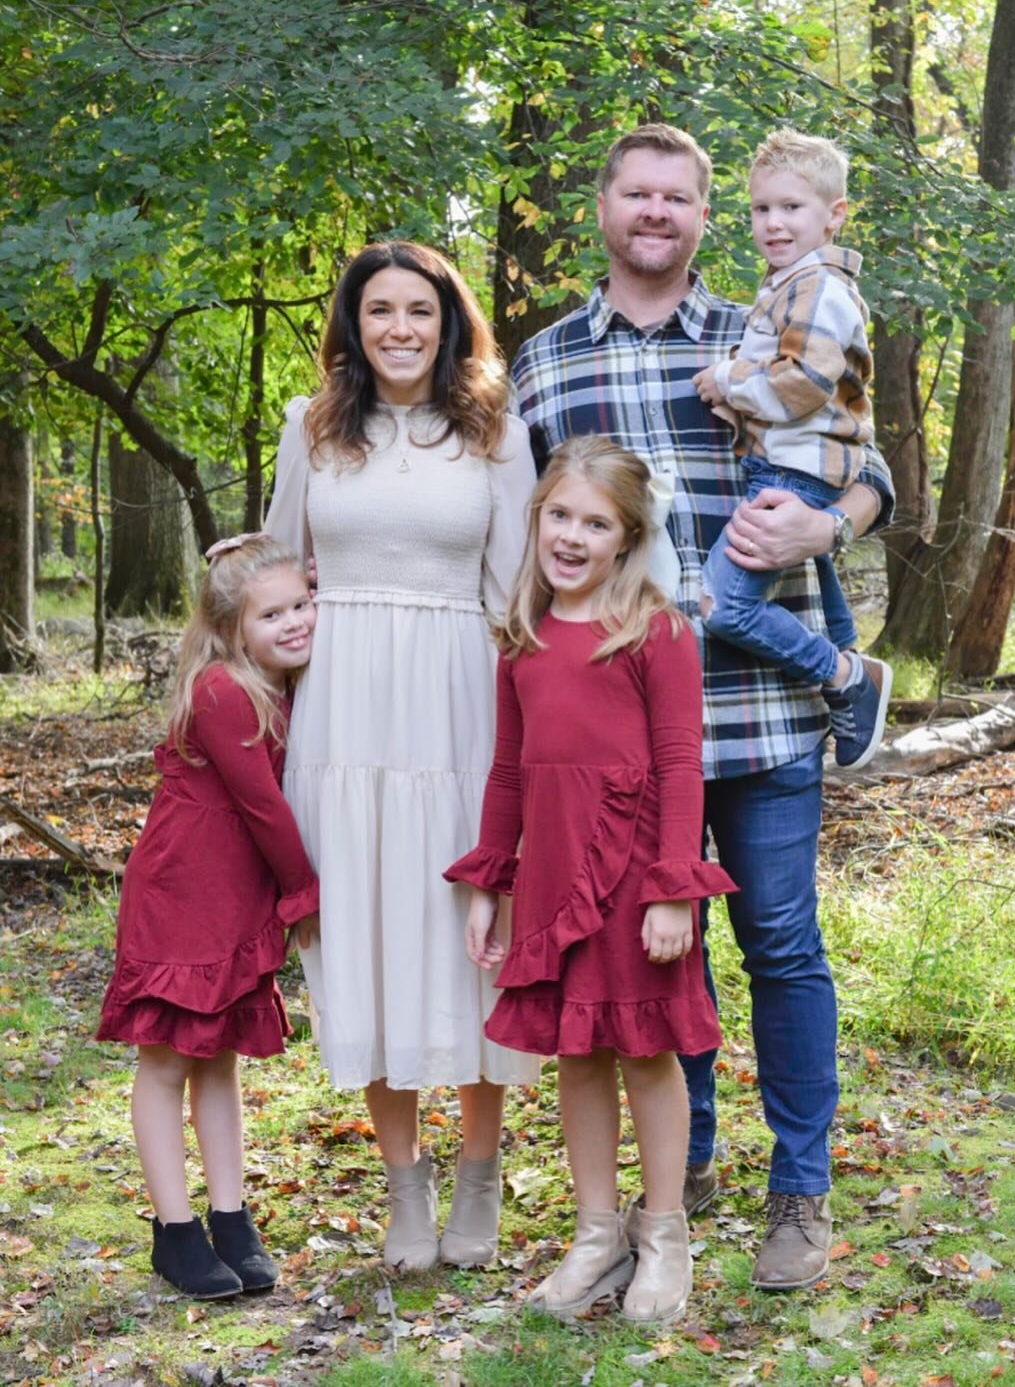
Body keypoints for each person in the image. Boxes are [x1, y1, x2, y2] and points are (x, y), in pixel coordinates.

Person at [511, 124, 895, 1290]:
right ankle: (684, 1175)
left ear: (703, 213)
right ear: (602, 204)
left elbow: (863, 466)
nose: (656, 212)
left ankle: (799, 1187)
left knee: (777, 942)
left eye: (679, 195)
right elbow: (517, 543)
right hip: (620, 743)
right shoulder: (541, 364)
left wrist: (830, 526)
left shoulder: (761, 328)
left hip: (761, 705)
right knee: (657, 954)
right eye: (636, 192)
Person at [264, 240, 540, 1273]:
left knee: (463, 939)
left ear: (449, 321)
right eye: (378, 309)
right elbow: (280, 565)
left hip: (456, 700)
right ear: (351, 322)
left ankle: (478, 1171)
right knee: (368, 932)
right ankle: (404, 1183)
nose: (398, 329)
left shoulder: (495, 435)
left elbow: (516, 592)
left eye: (417, 310)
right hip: (341, 709)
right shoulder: (311, 426)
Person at [446, 437, 735, 1324]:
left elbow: (683, 764)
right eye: (558, 516)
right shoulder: (522, 637)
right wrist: (491, 884)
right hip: (555, 873)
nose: (571, 536)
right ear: (536, 521)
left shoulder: (656, 630)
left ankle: (665, 1234)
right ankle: (597, 1234)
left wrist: (675, 889)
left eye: (595, 523)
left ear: (627, 536)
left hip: (636, 874)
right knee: (577, 1053)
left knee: (648, 1052)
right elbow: (507, 772)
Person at [97, 534, 320, 1299]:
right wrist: (305, 896)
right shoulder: (225, 690)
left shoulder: (283, 680)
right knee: (166, 1059)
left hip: (233, 897)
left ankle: (232, 1219)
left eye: (303, 604)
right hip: (183, 896)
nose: (295, 622)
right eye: (273, 613)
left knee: (218, 1055)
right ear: (231, 628)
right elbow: (263, 806)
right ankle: (175, 1230)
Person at [693, 128, 892, 770]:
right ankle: (850, 655)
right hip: (792, 462)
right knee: (814, 570)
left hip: (799, 469)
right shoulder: (788, 286)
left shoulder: (819, 290)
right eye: (761, 209)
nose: (773, 223)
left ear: (834, 215)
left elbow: (803, 385)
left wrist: (726, 381)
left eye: (792, 208)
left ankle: (844, 678)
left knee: (724, 606)